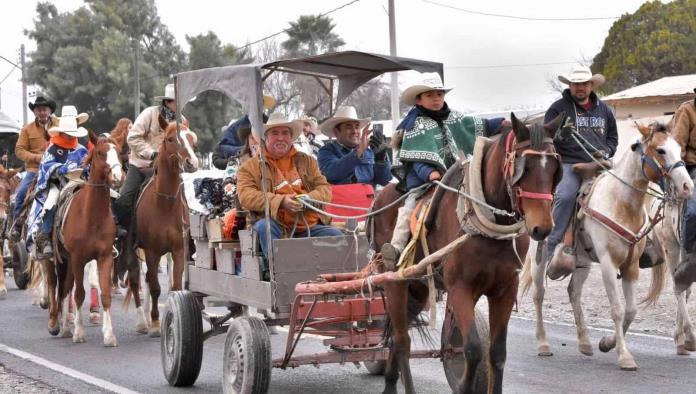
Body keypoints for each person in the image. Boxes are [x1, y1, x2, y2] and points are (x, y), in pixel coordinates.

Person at [380, 74, 508, 268]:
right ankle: (396, 248)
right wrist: (429, 173)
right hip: (425, 184)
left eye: (439, 94)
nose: (436, 98)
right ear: (419, 99)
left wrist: (500, 123)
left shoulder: (454, 118)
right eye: (430, 94)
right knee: (411, 204)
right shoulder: (415, 125)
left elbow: (477, 125)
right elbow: (414, 158)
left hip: (457, 179)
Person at [236, 112, 342, 263]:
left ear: (291, 137)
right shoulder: (248, 168)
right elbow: (246, 196)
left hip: (309, 226)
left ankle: (329, 280)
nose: (280, 137)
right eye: (275, 133)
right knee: (264, 227)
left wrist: (309, 199)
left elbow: (325, 189)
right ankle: (280, 275)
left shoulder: (308, 161)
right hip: (276, 226)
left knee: (336, 236)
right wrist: (281, 202)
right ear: (265, 137)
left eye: (285, 133)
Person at [544, 65, 618, 275]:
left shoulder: (604, 110)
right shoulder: (557, 109)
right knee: (566, 195)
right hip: (569, 163)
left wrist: (606, 151)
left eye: (584, 84)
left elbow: (613, 138)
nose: (580, 88)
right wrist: (560, 136)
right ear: (570, 85)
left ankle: (626, 246)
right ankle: (552, 247)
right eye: (576, 84)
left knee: (622, 191)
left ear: (591, 85)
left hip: (599, 164)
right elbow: (546, 137)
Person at [113, 84, 188, 237]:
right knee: (125, 199)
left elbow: (186, 144)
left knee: (190, 199)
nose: (180, 105)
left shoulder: (183, 121)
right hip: (141, 166)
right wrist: (152, 154)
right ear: (168, 102)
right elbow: (132, 137)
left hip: (170, 169)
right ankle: (122, 232)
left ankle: (189, 237)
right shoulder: (149, 114)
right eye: (177, 102)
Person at [27, 106, 89, 259]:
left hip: (79, 183)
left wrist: (86, 168)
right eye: (68, 134)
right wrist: (59, 168)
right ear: (62, 132)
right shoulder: (53, 149)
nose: (70, 137)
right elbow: (45, 166)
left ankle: (107, 234)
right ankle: (45, 237)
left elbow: (88, 164)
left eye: (72, 134)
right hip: (58, 184)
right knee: (51, 202)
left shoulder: (81, 149)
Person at [11, 96, 58, 240]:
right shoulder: (27, 129)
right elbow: (19, 150)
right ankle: (17, 225)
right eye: (39, 110)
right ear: (35, 112)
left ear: (50, 111)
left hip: (58, 166)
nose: (42, 112)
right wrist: (37, 158)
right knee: (21, 194)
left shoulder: (60, 125)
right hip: (35, 170)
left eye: (45, 109)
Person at [317, 106, 391, 187]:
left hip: (369, 198)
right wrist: (358, 152)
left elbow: (384, 181)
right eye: (348, 127)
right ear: (336, 131)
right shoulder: (327, 151)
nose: (354, 131)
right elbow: (332, 173)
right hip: (341, 199)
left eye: (357, 127)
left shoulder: (369, 152)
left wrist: (381, 159)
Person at [670, 88, 696, 288]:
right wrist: (683, 177)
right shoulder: (687, 111)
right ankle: (689, 256)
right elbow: (677, 146)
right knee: (693, 210)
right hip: (692, 166)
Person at [212, 94, 275, 170]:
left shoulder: (272, 124)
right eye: (252, 103)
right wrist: (244, 153)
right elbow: (220, 151)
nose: (256, 106)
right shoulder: (235, 127)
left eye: (259, 102)